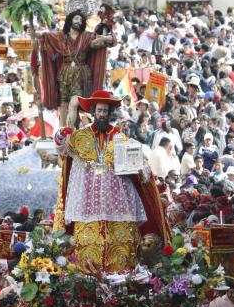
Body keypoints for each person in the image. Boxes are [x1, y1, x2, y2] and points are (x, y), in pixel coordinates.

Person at [54, 90, 170, 272]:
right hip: (88, 204)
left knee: (120, 246)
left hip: (117, 204)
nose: (102, 114)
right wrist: (63, 132)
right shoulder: (80, 136)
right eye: (99, 110)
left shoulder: (120, 137)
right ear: (94, 112)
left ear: (109, 113)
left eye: (105, 111)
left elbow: (140, 167)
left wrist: (139, 167)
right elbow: (62, 147)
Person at [36, 9, 115, 119]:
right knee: (63, 104)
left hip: (80, 74)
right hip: (64, 73)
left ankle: (71, 128)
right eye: (76, 18)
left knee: (73, 104)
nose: (79, 21)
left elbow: (108, 41)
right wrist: (36, 34)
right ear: (70, 20)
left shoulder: (87, 37)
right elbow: (46, 37)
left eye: (81, 20)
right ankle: (63, 128)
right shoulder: (61, 36)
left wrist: (105, 37)